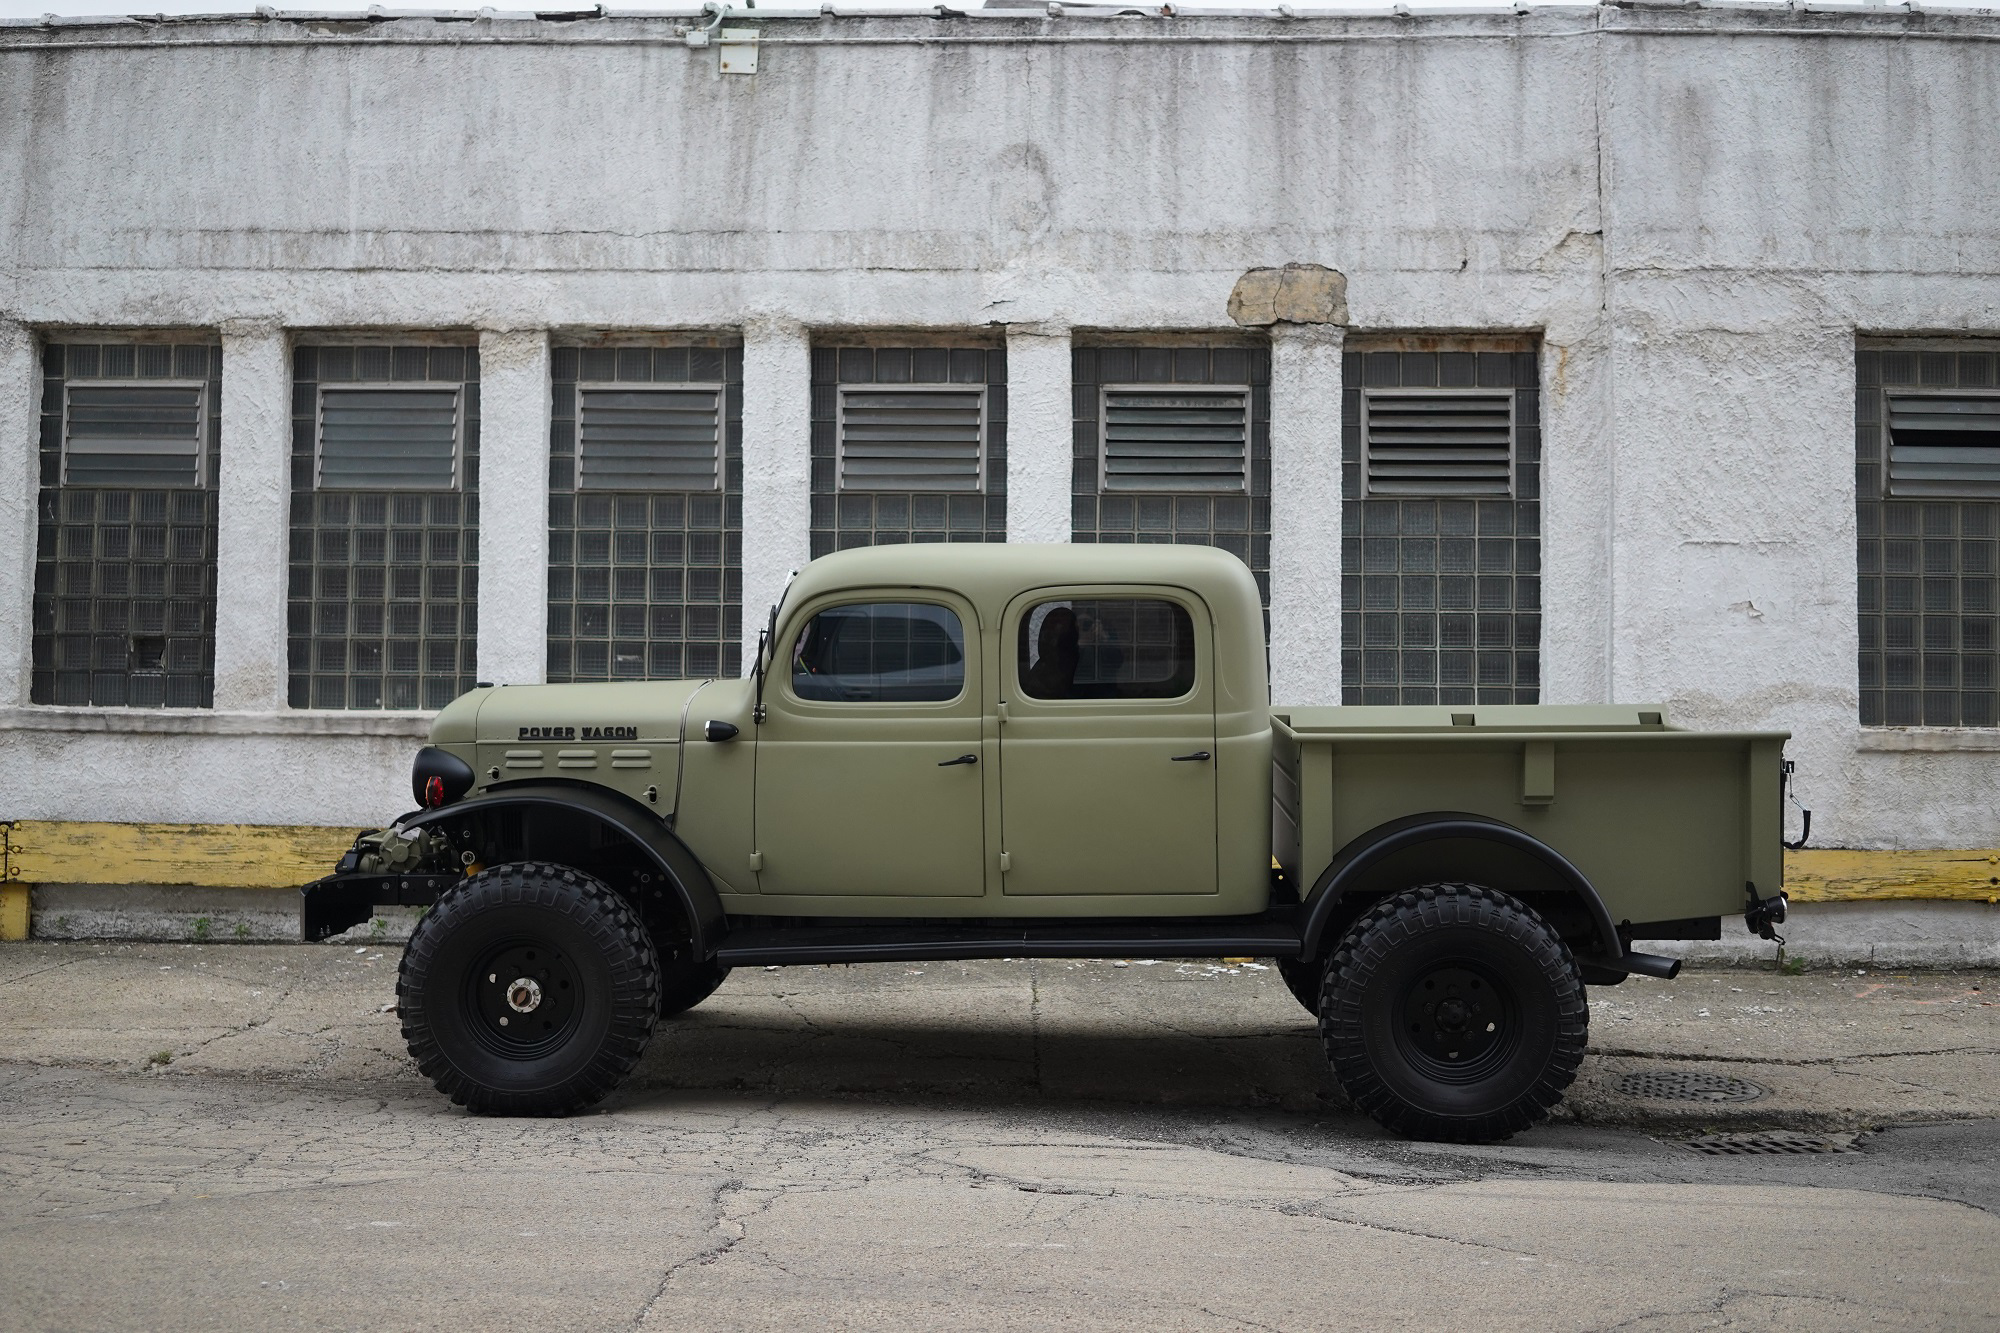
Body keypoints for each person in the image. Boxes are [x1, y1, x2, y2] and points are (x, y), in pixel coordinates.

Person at [1022, 605, 1079, 698]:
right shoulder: (1045, 663)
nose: (1043, 640)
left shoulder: (1072, 664)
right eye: (1045, 634)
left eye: (1051, 635)